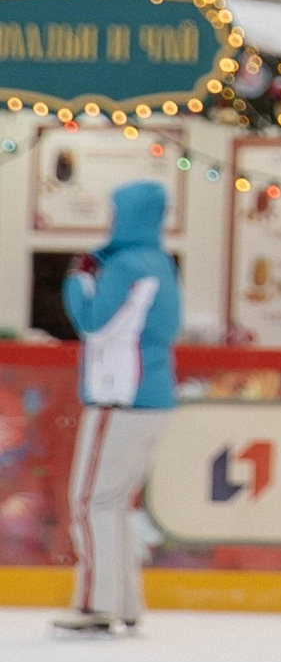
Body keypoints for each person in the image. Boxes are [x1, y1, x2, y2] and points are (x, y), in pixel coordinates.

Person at [56, 177, 183, 637]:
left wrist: (78, 279)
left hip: (120, 397)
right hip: (154, 397)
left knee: (92, 502)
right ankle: (125, 602)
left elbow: (92, 321)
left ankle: (96, 605)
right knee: (117, 503)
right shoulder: (160, 264)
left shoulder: (126, 265)